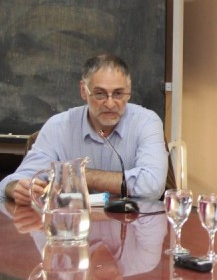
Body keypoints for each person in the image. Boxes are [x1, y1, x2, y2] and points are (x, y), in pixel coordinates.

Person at [0, 53, 169, 204]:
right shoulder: (58, 127)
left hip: (130, 228)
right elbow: (12, 183)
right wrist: (15, 188)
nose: (110, 104)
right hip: (71, 229)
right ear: (83, 90)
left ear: (129, 91)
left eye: (118, 93)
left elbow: (153, 186)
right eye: (100, 94)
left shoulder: (146, 122)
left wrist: (78, 175)